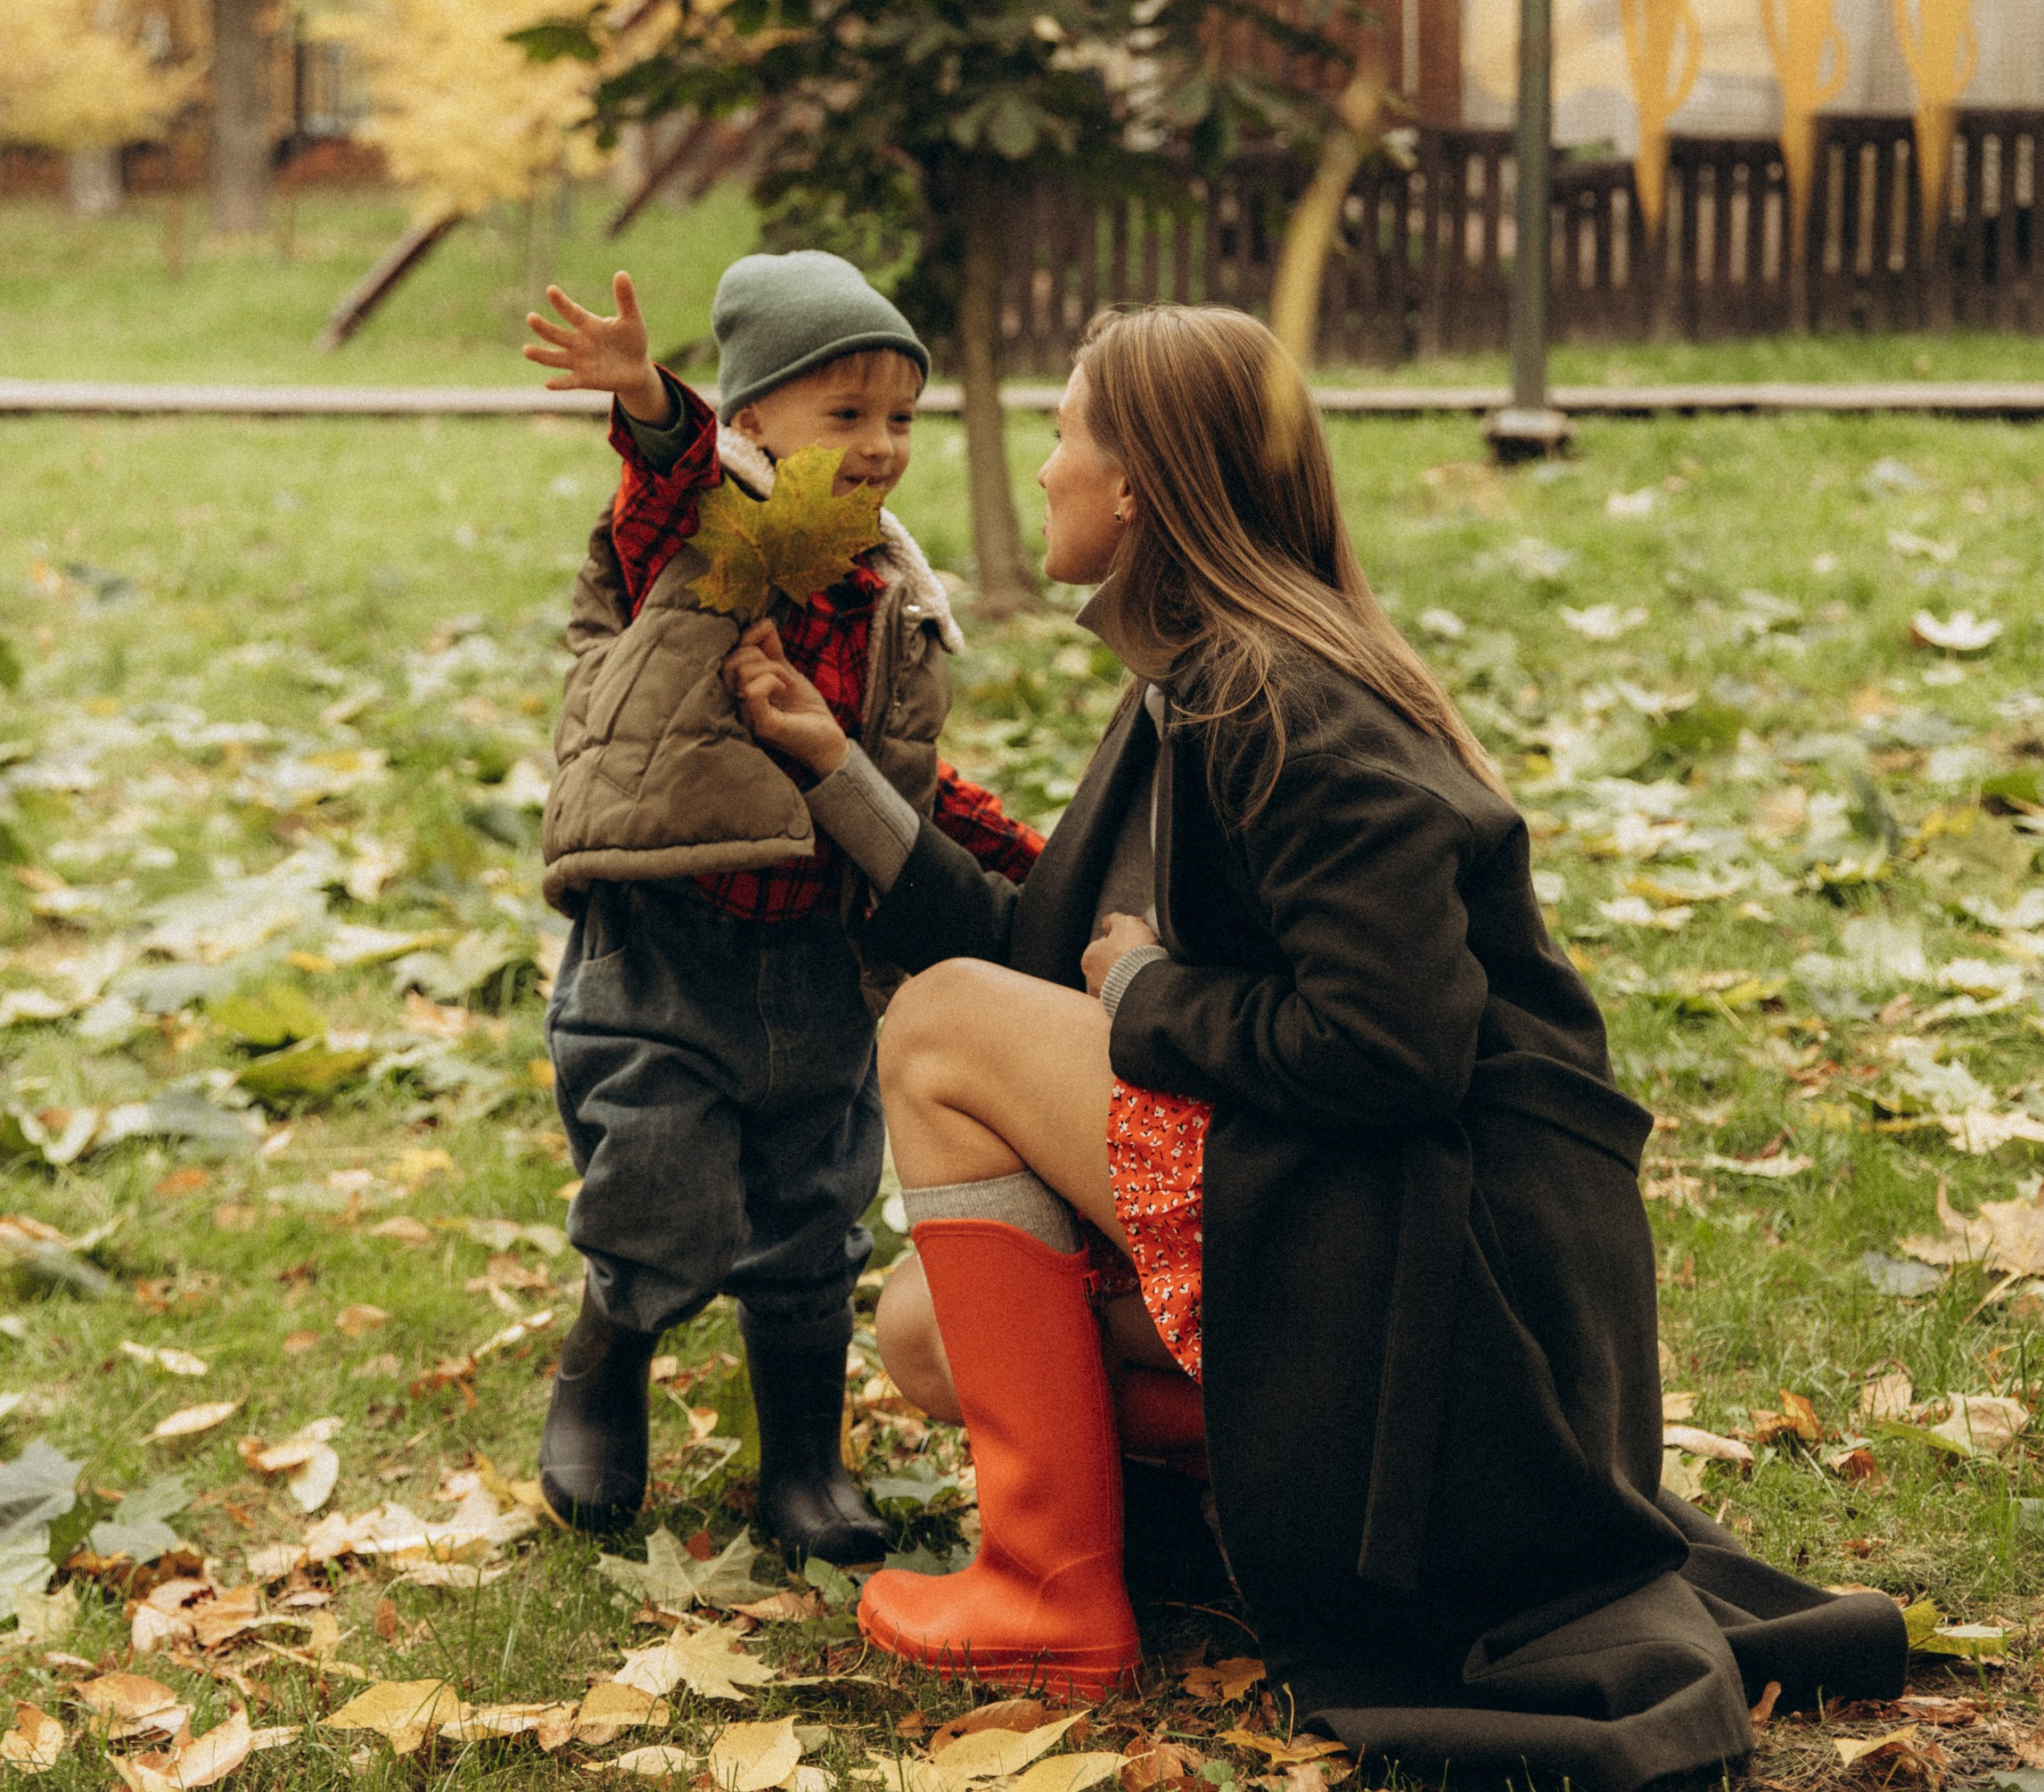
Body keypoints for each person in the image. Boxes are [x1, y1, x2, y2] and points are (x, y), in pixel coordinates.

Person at [726, 305, 1907, 1786]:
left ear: (1143, 480)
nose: (1039, 468)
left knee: (939, 1025)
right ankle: (1266, 1508)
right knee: (921, 1329)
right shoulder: (1199, 684)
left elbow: (1394, 1042)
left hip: (1459, 1280)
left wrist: (1149, 991)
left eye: (1064, 432)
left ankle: (1046, 1591)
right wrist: (836, 771)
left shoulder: (1285, 700)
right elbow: (1041, 957)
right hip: (1375, 1228)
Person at [525, 251, 1040, 1568]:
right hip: (666, 940)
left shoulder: (883, 595)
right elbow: (665, 465)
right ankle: (609, 1348)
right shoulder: (690, 531)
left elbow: (899, 770)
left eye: (901, 419)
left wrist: (1023, 854)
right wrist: (648, 393)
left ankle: (805, 1462)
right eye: (845, 413)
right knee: (664, 1185)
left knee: (815, 1211)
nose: (880, 448)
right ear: (752, 422)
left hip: (818, 953)